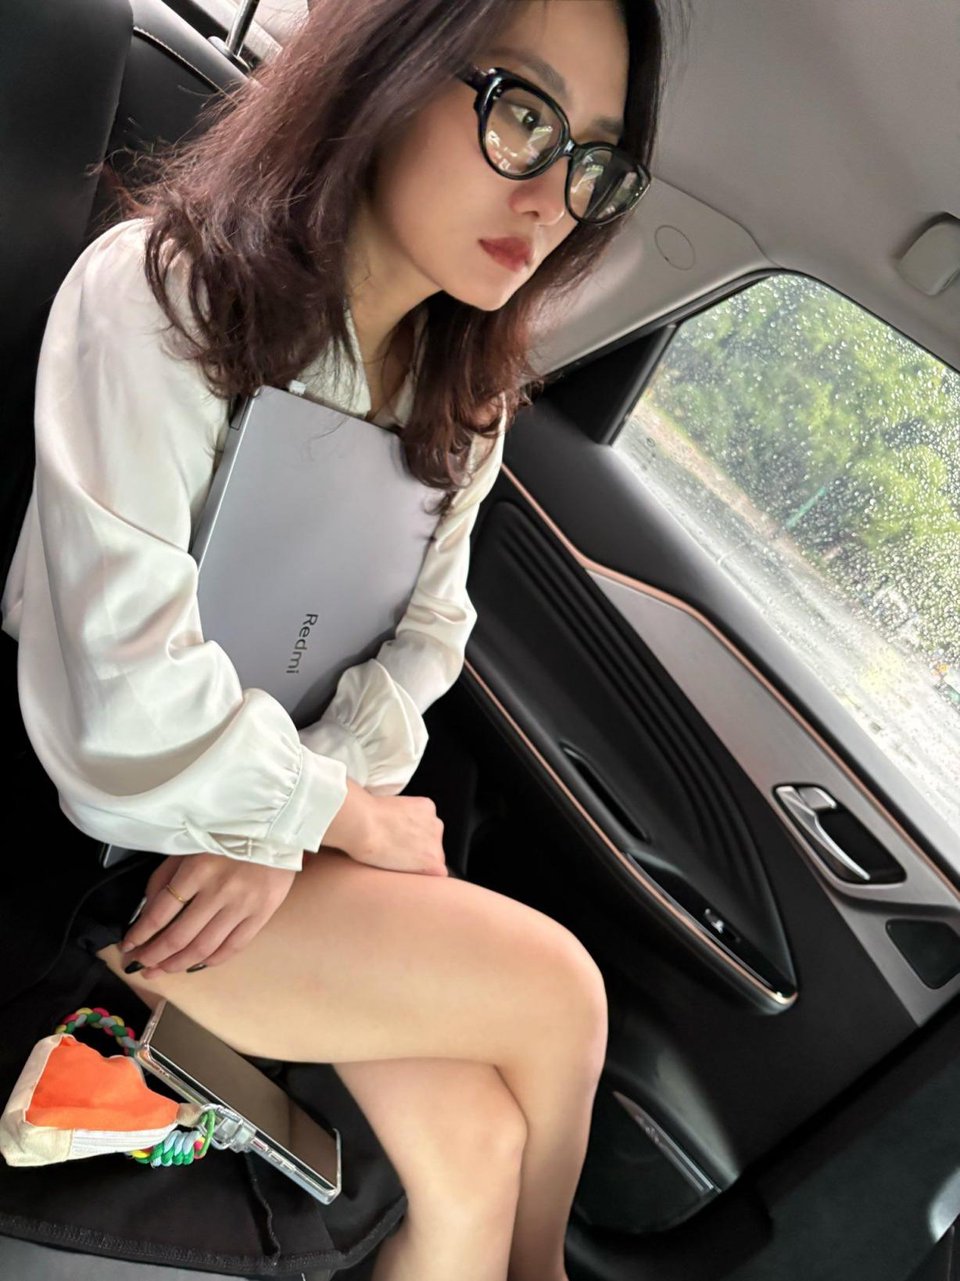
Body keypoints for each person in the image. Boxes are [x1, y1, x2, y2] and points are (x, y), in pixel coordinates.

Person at [0, 0, 683, 1276]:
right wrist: (335, 816)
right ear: (392, 67)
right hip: (104, 841)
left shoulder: (461, 402)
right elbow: (122, 703)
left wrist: (302, 817)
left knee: (477, 1151)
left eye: (593, 163)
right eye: (523, 115)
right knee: (565, 993)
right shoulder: (163, 295)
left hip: (267, 835)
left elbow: (424, 647)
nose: (553, 201)